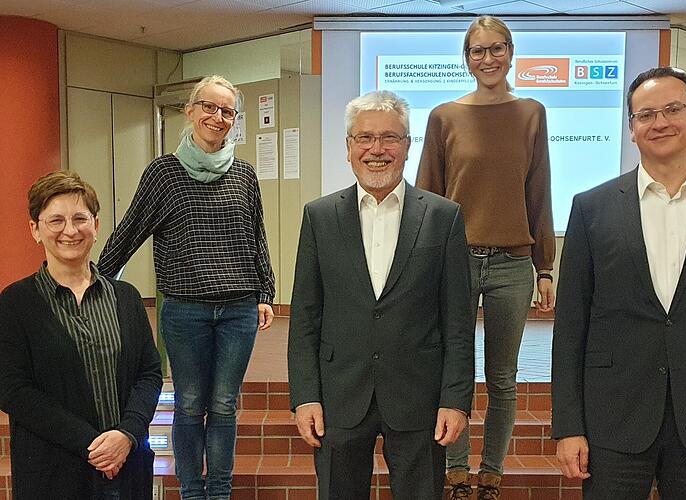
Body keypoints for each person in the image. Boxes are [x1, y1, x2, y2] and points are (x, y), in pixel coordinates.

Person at [552, 66, 686, 499]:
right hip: (613, 417)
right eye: (646, 115)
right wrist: (568, 426)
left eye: (672, 109)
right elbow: (571, 325)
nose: (660, 122)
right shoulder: (592, 208)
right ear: (631, 129)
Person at [287, 90, 474, 500]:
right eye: (365, 138)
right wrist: (305, 396)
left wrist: (456, 399)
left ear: (406, 146)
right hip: (339, 395)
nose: (377, 149)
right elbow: (304, 317)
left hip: (419, 397)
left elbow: (458, 320)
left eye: (389, 138)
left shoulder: (443, 217)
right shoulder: (319, 216)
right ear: (349, 147)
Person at [98, 75, 275, 500]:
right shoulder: (164, 173)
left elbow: (256, 236)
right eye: (209, 107)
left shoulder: (245, 174)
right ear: (191, 111)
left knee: (225, 404)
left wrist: (265, 293)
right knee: (190, 404)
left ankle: (220, 492)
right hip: (184, 310)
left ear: (235, 120)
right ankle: (192, 492)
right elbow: (130, 231)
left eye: (227, 111)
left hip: (238, 309)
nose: (218, 117)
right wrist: (96, 282)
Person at [416, 15, 555, 499]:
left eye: (497, 48)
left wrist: (544, 267)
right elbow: (428, 196)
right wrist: (421, 266)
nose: (488, 58)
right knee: (453, 371)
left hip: (512, 265)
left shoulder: (532, 113)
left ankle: (491, 475)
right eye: (478, 50)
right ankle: (456, 473)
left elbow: (539, 191)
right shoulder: (443, 117)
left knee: (502, 378)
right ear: (467, 58)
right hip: (454, 262)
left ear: (511, 53)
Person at [0, 171, 162, 500]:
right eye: (56, 220)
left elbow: (149, 373)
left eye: (80, 218)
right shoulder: (15, 303)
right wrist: (92, 445)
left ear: (96, 225)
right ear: (35, 229)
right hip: (53, 474)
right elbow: (12, 389)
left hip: (127, 467)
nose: (70, 230)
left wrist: (127, 434)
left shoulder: (126, 297)